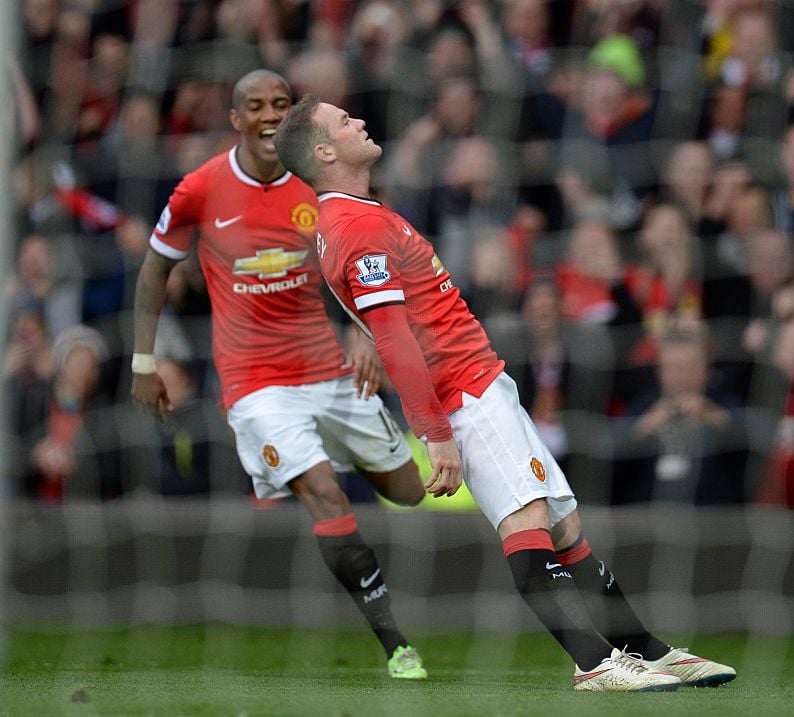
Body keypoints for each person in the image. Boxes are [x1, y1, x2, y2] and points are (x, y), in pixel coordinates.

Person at [274, 95, 737, 692]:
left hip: (483, 383)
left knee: (565, 529)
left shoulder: (355, 216)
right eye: (343, 121)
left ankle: (646, 650)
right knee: (529, 523)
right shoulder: (356, 226)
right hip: (464, 393)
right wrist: (436, 433)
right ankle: (593, 664)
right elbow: (393, 340)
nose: (358, 120)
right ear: (324, 151)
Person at [130, 70, 428, 680]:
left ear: (292, 117)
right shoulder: (199, 190)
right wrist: (143, 361)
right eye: (256, 106)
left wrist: (361, 329)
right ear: (236, 119)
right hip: (254, 384)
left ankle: (313, 457)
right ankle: (396, 643)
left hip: (329, 371)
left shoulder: (316, 184)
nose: (269, 114)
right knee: (324, 491)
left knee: (408, 492)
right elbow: (154, 271)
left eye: (281, 104)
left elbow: (363, 253)